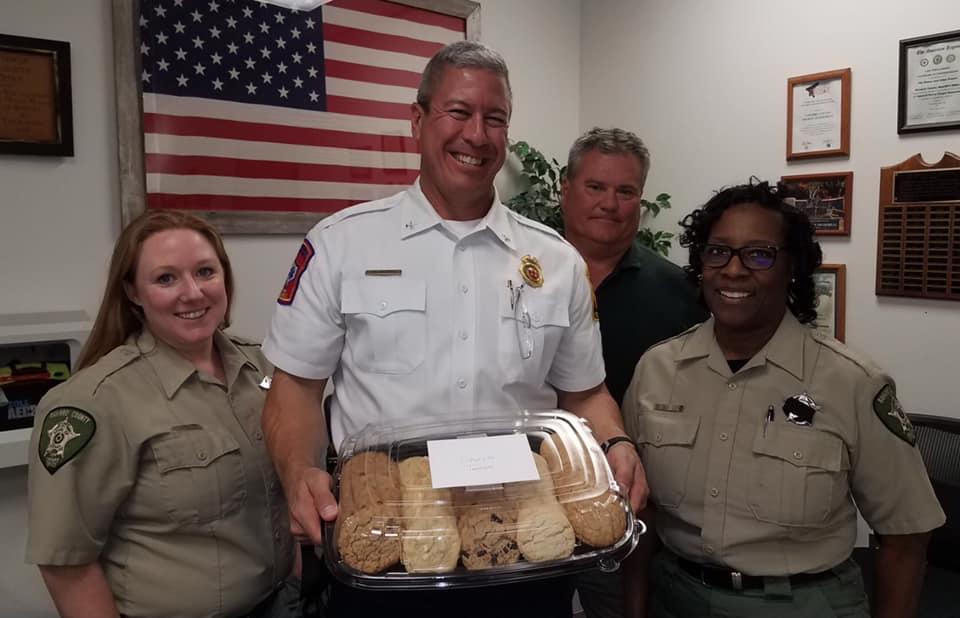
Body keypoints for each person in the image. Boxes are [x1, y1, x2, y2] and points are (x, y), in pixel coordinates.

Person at [260, 40, 647, 618]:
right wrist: (299, 473)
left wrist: (615, 443)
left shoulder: (556, 260)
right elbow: (296, 386)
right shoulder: (342, 245)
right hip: (386, 540)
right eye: (459, 112)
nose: (477, 134)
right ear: (418, 121)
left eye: (495, 119)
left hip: (526, 541)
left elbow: (584, 391)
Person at [622, 180, 945, 618]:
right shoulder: (657, 370)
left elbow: (906, 536)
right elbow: (641, 514)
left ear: (792, 267)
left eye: (759, 254)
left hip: (802, 602)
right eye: (718, 251)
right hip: (676, 597)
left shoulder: (852, 382)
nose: (734, 270)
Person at [26, 210, 300, 618]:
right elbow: (67, 562)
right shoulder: (92, 402)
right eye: (166, 278)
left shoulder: (261, 367)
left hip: (283, 602)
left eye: (205, 272)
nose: (192, 293)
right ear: (133, 292)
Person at [559, 127, 707, 618]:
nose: (610, 203)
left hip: (631, 516)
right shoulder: (518, 271)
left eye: (626, 191)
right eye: (596, 187)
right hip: (531, 500)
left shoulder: (680, 292)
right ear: (565, 188)